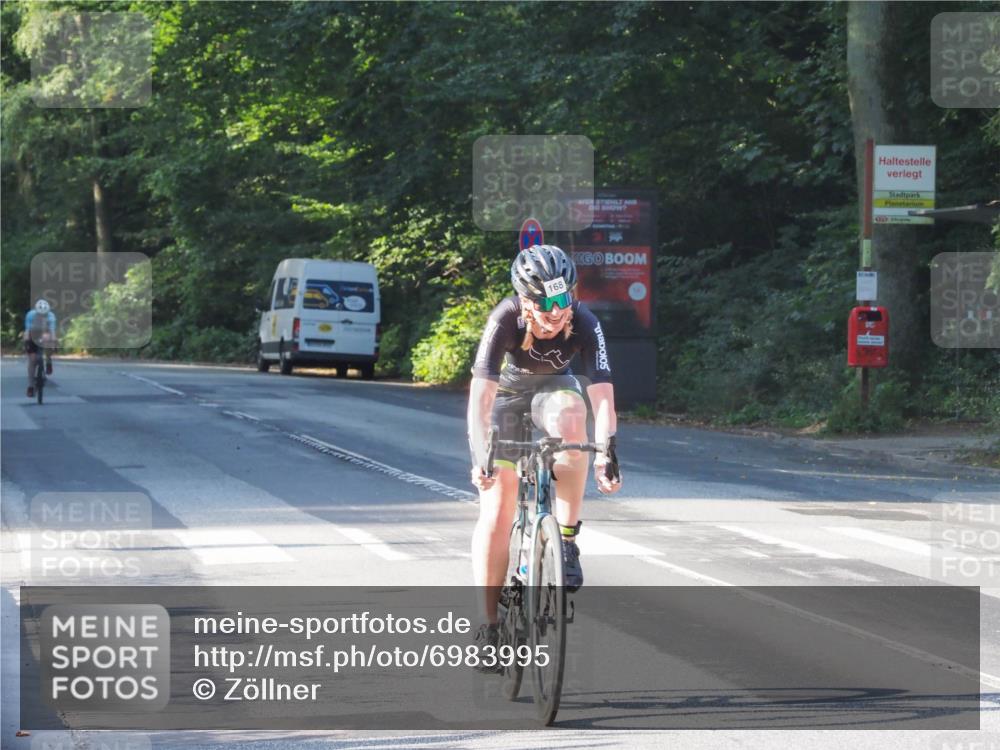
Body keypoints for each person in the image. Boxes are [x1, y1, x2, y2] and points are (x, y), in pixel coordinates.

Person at [467, 244, 622, 662]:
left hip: (554, 392)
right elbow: (481, 399)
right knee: (497, 509)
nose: (557, 312)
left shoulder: (585, 322)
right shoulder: (505, 319)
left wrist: (607, 451)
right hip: (508, 400)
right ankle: (489, 625)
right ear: (524, 300)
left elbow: (603, 397)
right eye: (546, 303)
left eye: (564, 299)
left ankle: (566, 539)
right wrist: (481, 453)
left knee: (575, 419)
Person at [24, 299, 57, 398]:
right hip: (33, 333)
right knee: (32, 360)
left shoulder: (51, 317)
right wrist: (26, 344)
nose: (42, 316)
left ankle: (48, 360)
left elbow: (53, 333)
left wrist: (53, 345)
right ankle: (30, 386)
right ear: (36, 312)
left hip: (45, 333)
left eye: (44, 315)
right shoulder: (30, 315)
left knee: (49, 339)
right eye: (40, 315)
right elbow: (27, 332)